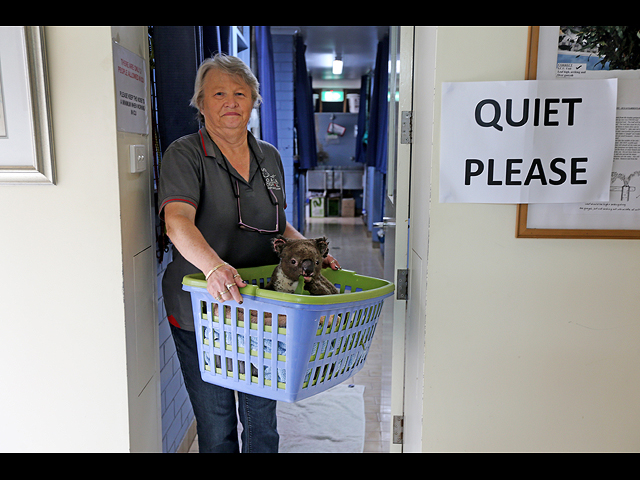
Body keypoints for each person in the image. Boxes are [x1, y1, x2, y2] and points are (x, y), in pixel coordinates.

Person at [158, 54, 340, 453]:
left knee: (262, 420)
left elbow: (278, 226)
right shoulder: (185, 154)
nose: (230, 101)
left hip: (262, 308)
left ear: (254, 100)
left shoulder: (270, 157)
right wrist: (214, 267)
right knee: (217, 422)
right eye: (218, 93)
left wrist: (307, 250)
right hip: (203, 309)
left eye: (240, 93)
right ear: (200, 103)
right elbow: (177, 222)